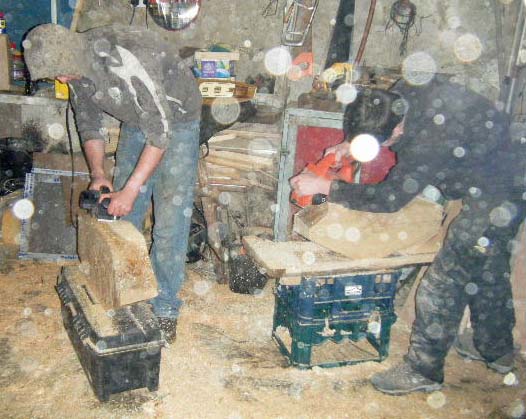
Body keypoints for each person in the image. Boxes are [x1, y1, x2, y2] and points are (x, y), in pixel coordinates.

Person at [290, 76, 526, 395]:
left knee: (445, 278)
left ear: (399, 130)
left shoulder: (432, 138)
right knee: (487, 263)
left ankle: (423, 369)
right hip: (497, 160)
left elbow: (390, 199)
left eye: (382, 142)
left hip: (504, 184)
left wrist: (326, 188)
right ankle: (496, 349)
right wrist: (350, 145)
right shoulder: (398, 94)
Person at [24, 23, 203, 343]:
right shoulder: (73, 67)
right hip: (136, 119)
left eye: (62, 73)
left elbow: (161, 132)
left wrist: (132, 188)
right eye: (56, 77)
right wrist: (99, 175)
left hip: (176, 118)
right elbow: (88, 123)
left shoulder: (127, 59)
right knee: (120, 217)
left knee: (170, 218)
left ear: (71, 56)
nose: (62, 81)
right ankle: (126, 295)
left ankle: (164, 309)